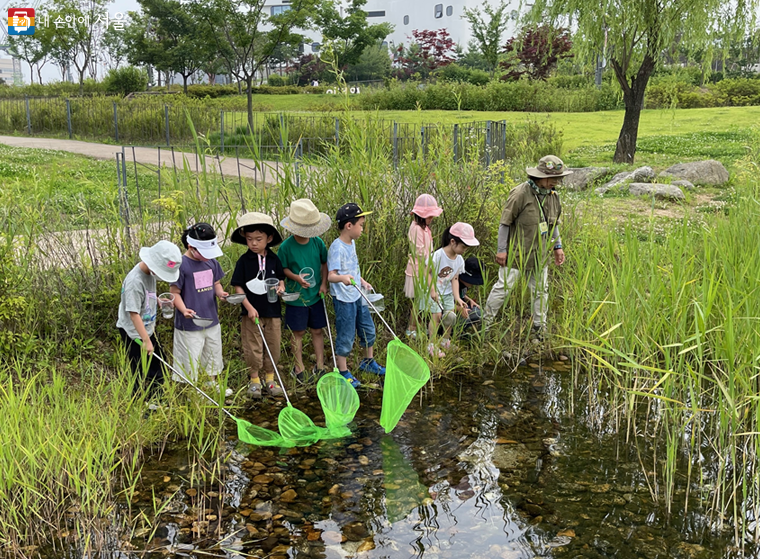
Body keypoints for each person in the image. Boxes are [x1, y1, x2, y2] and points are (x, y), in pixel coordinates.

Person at [483, 155, 571, 340]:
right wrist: (501, 250)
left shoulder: (554, 196)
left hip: (539, 255)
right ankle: (485, 324)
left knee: (540, 292)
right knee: (503, 289)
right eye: (552, 179)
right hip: (516, 254)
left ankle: (539, 329)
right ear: (539, 176)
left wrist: (558, 246)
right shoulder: (520, 193)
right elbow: (504, 223)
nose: (556, 182)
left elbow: (554, 225)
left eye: (558, 179)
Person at [169, 223, 232, 398]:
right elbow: (174, 293)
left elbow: (216, 282)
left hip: (211, 317)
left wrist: (220, 294)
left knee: (212, 352)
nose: (208, 257)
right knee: (190, 356)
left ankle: (211, 382)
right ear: (191, 247)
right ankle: (192, 390)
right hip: (189, 323)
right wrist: (183, 310)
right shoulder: (181, 266)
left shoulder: (211, 262)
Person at [327, 203, 386, 387]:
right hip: (344, 298)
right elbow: (331, 275)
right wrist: (342, 278)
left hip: (358, 294)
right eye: (361, 225)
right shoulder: (337, 248)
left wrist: (362, 281)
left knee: (368, 328)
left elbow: (353, 268)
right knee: (346, 334)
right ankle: (342, 371)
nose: (362, 229)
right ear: (349, 226)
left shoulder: (351, 243)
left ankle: (368, 361)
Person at [116, 240, 182, 402]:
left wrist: (159, 302)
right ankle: (140, 402)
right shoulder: (134, 282)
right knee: (140, 368)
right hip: (134, 333)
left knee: (160, 367)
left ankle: (155, 401)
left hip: (147, 329)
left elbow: (145, 298)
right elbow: (133, 314)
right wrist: (145, 340)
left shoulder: (149, 274)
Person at [230, 212, 286, 399]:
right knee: (253, 346)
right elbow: (238, 285)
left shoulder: (274, 259)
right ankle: (254, 380)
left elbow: (280, 279)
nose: (253, 243)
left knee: (273, 344)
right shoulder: (244, 261)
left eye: (258, 239)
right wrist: (248, 307)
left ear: (269, 238)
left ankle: (270, 379)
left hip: (273, 311)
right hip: (251, 312)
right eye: (249, 239)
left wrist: (281, 288)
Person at [278, 199, 332, 384]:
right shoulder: (286, 247)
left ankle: (320, 365)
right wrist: (296, 278)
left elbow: (324, 263)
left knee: (317, 330)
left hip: (316, 295)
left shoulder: (317, 243)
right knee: (298, 333)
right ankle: (298, 367)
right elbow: (282, 269)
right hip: (296, 298)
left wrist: (324, 284)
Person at [425, 223, 479, 357]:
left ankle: (445, 340)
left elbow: (454, 279)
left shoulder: (459, 260)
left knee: (450, 317)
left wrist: (458, 298)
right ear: (453, 242)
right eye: (463, 247)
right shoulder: (438, 255)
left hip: (447, 292)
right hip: (435, 291)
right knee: (436, 316)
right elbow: (427, 273)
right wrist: (432, 290)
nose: (464, 250)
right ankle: (431, 345)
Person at [404, 194, 443, 339]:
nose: (432, 219)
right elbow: (420, 253)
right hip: (418, 269)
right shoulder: (415, 229)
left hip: (426, 268)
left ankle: (416, 327)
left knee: (422, 301)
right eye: (429, 216)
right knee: (420, 301)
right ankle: (412, 328)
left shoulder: (425, 228)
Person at [442, 256, 484, 337]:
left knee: (478, 312)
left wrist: (468, 299)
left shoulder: (464, 284)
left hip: (458, 308)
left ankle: (457, 332)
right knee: (473, 313)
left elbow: (460, 294)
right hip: (447, 312)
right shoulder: (450, 283)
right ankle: (447, 333)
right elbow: (442, 303)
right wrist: (460, 309)